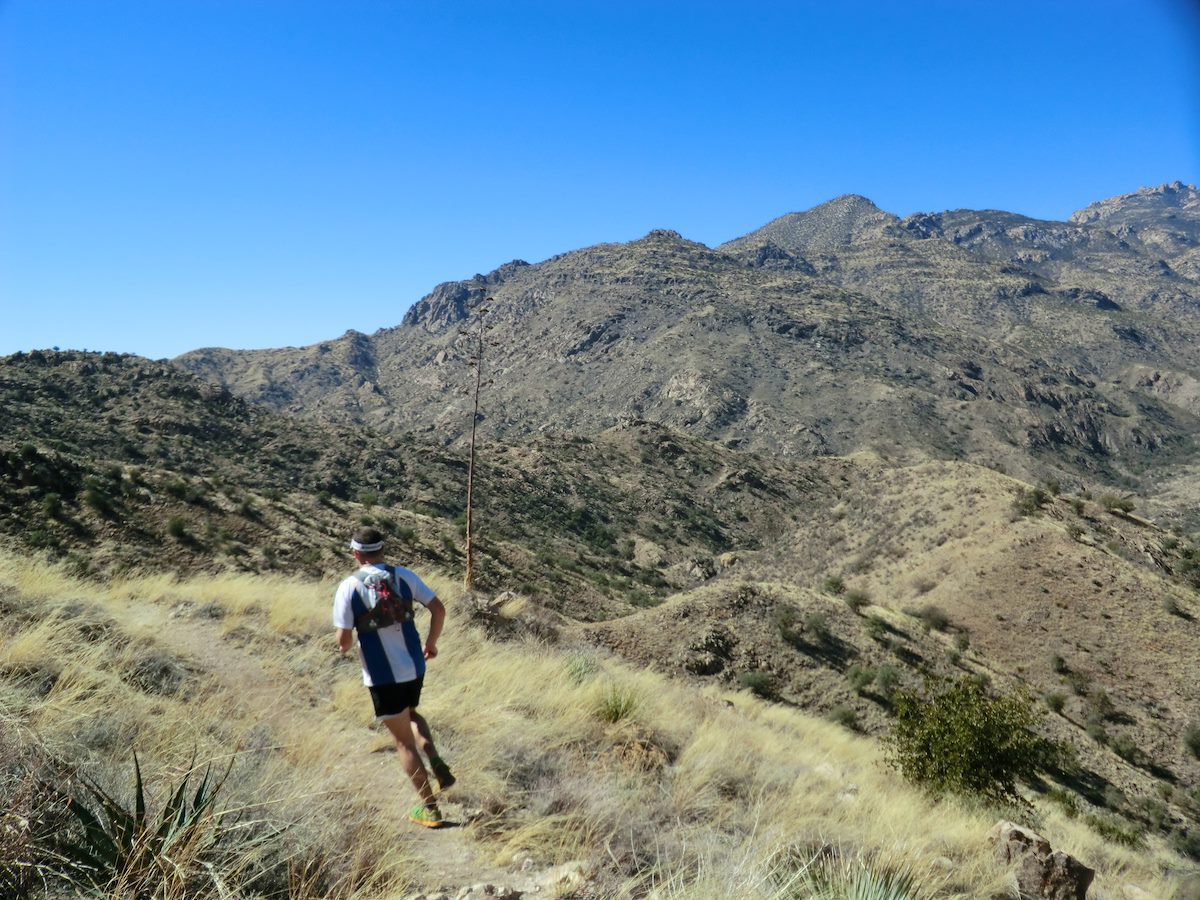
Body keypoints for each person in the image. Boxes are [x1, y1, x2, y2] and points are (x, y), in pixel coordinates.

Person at [332, 526, 456, 828]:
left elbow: (343, 642)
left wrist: (345, 645)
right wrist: (431, 644)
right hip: (414, 666)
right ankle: (435, 759)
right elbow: (438, 609)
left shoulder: (349, 587)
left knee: (402, 742)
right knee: (411, 713)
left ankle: (430, 808)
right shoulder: (403, 576)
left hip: (383, 676)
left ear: (356, 553)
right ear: (382, 551)